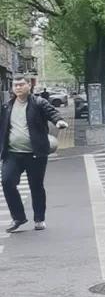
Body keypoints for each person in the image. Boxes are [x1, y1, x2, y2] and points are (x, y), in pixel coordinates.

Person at [0, 75, 68, 232]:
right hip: (12, 153)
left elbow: (52, 113)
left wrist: (58, 121)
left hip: (35, 154)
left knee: (36, 186)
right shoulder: (7, 106)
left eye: (21, 84)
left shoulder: (38, 103)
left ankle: (39, 219)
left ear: (28, 86)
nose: (18, 87)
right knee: (7, 182)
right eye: (15, 85)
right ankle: (18, 217)